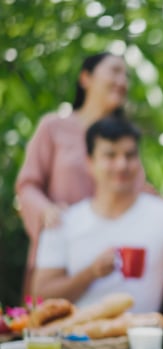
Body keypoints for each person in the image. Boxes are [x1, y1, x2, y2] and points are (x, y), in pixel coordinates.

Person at [15, 52, 151, 298]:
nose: (123, 82)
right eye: (115, 71)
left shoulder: (125, 140)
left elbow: (139, 192)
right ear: (86, 78)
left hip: (109, 259)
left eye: (126, 76)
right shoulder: (53, 127)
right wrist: (45, 210)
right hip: (60, 252)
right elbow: (27, 185)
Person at [32, 116, 163, 313]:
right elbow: (40, 298)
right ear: (89, 163)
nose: (122, 165)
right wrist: (90, 273)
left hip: (144, 340)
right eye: (110, 156)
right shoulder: (63, 222)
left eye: (130, 155)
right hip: (76, 340)